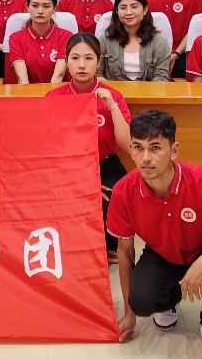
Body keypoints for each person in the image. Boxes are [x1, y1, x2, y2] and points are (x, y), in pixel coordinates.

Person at [110, 109, 202, 359]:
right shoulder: (123, 191)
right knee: (142, 301)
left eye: (155, 147)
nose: (146, 158)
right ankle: (169, 302)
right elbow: (124, 252)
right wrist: (129, 313)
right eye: (138, 147)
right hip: (162, 252)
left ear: (174, 150)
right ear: (131, 150)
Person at [45, 32, 132, 262]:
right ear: (66, 61)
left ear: (99, 61)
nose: (81, 65)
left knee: (112, 198)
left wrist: (112, 106)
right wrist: (82, 181)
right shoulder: (55, 97)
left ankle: (109, 249)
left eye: (89, 58)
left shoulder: (113, 96)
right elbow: (46, 146)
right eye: (75, 58)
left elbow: (127, 146)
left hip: (105, 165)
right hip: (66, 167)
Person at [99, 0, 171, 82]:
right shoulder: (105, 40)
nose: (128, 12)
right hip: (111, 91)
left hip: (149, 90)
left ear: (145, 10)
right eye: (123, 8)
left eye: (134, 7)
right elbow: (97, 74)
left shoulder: (159, 42)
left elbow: (161, 79)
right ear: (117, 11)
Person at [8, 0, 73, 84]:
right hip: (28, 92)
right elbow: (22, 78)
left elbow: (59, 76)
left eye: (46, 6)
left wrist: (50, 95)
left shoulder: (66, 37)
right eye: (35, 6)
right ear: (27, 7)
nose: (40, 11)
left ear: (55, 8)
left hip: (57, 91)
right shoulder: (16, 38)